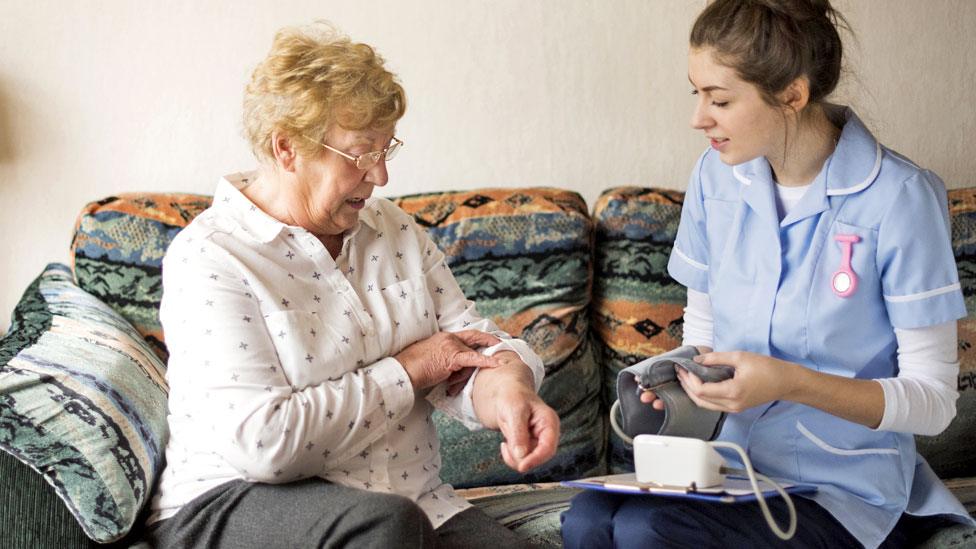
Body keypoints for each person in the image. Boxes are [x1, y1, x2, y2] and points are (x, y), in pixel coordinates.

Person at [561, 0, 976, 547]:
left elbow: (932, 401)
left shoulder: (898, 197)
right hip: (729, 474)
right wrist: (674, 381)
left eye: (721, 99)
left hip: (845, 492)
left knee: (649, 530)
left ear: (793, 95)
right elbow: (704, 339)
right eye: (697, 93)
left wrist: (788, 383)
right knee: (589, 517)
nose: (698, 118)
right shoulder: (716, 176)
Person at [143, 22, 559, 549]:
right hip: (230, 502)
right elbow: (265, 443)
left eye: (387, 151)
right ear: (287, 148)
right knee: (383, 527)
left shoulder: (395, 230)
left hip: (413, 502)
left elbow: (469, 348)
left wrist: (510, 394)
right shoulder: (212, 258)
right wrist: (410, 369)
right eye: (362, 154)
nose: (381, 176)